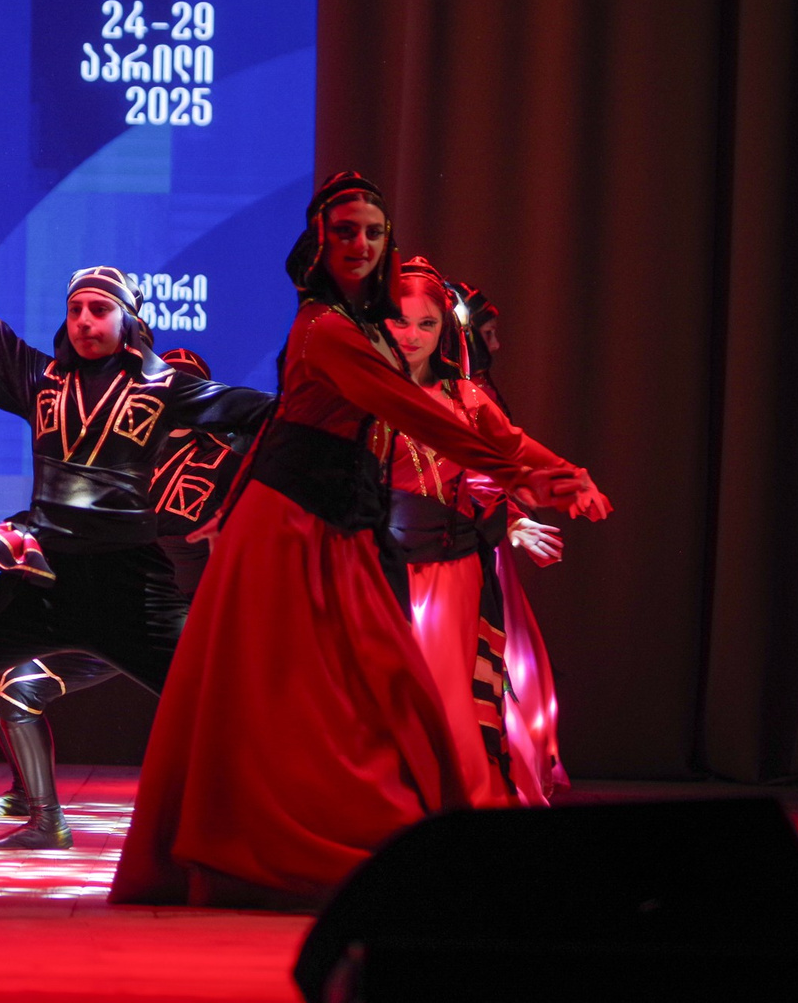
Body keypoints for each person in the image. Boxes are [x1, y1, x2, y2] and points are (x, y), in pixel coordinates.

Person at [110, 172, 611, 910]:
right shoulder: (327, 329)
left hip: (336, 529)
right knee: (295, 695)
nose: (361, 244)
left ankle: (384, 841)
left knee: (382, 687)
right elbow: (411, 412)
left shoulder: (359, 326)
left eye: (374, 232)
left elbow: (331, 421)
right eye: (345, 231)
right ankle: (291, 851)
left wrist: (555, 474)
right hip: (292, 528)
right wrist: (526, 477)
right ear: (319, 239)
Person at [0, 215, 273, 883]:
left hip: (133, 591)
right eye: (75, 310)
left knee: (237, 704)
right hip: (44, 586)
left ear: (129, 320)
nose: (85, 321)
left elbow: (264, 415)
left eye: (100, 309)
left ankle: (267, 845)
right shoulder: (41, 381)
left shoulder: (165, 388)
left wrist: (242, 501)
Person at [0, 312, 243, 833]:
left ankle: (58, 820)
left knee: (23, 688)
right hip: (98, 599)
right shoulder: (119, 453)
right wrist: (17, 538)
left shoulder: (225, 462)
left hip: (160, 615)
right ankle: (26, 797)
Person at [440, 277, 570, 802]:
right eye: (487, 333)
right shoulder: (432, 395)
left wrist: (515, 513)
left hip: (478, 540)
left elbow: (491, 468)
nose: (496, 345)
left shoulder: (473, 393)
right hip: (440, 547)